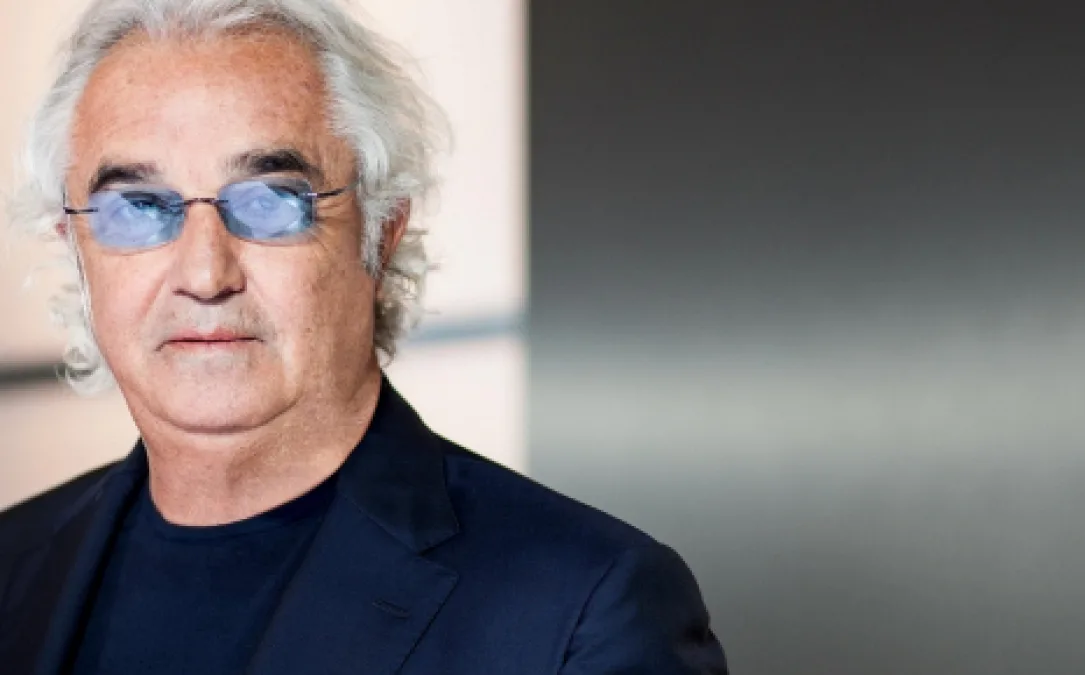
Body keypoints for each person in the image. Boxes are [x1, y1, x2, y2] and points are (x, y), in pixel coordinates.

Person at [0, 1, 728, 673]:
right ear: (75, 248)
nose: (205, 272)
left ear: (381, 233)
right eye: (137, 207)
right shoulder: (14, 565)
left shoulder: (585, 606)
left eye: (271, 201)